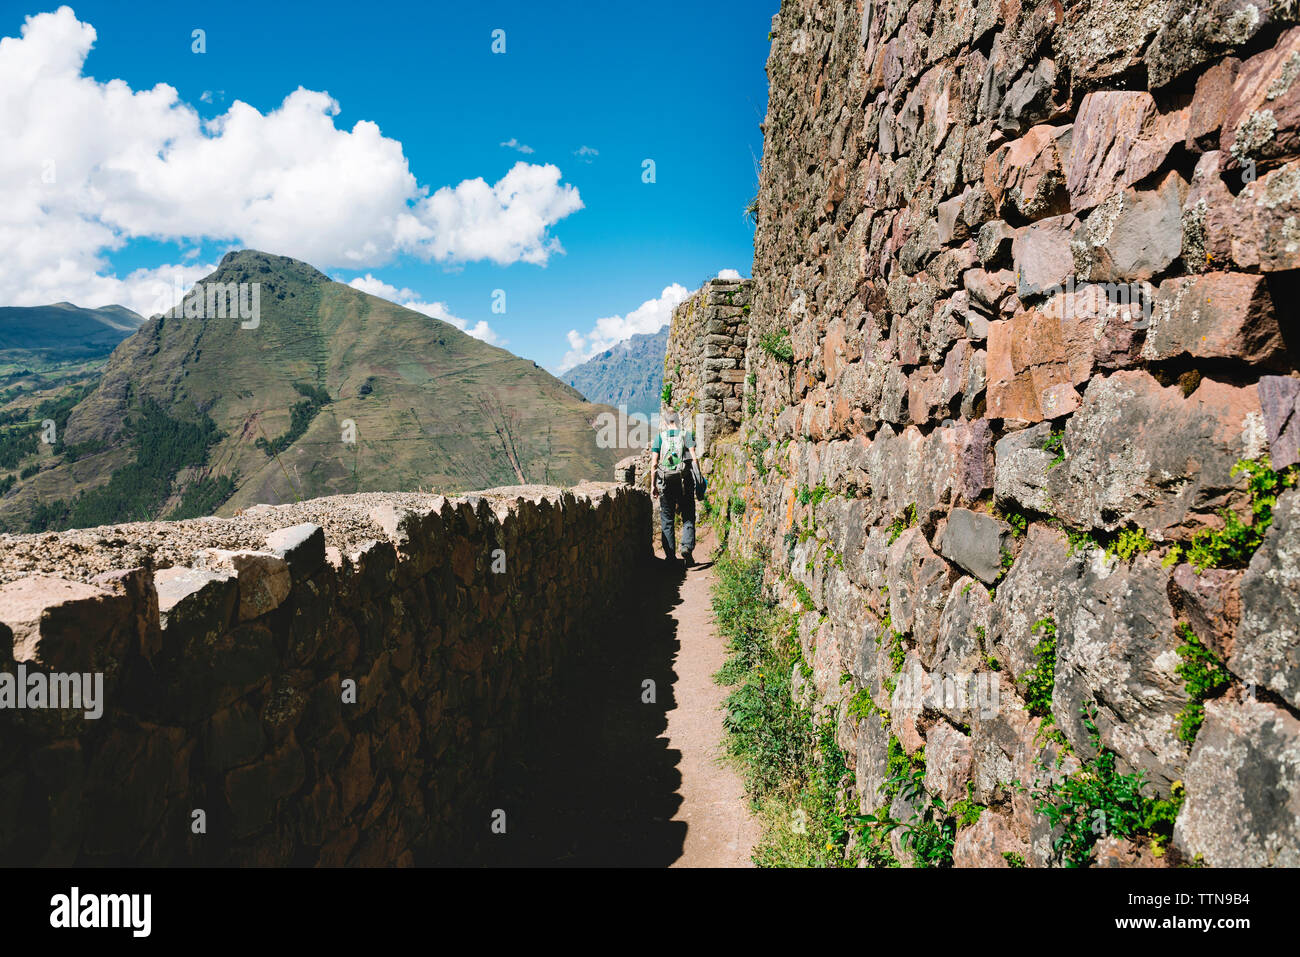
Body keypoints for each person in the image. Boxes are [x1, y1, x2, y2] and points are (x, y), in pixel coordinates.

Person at [650, 410, 696, 566]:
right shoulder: (686, 435)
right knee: (688, 515)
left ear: (664, 422)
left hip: (666, 482)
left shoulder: (659, 438)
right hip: (685, 481)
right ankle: (687, 547)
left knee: (667, 519)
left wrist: (653, 485)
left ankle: (670, 558)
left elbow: (654, 464)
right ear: (678, 420)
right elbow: (694, 458)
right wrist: (699, 478)